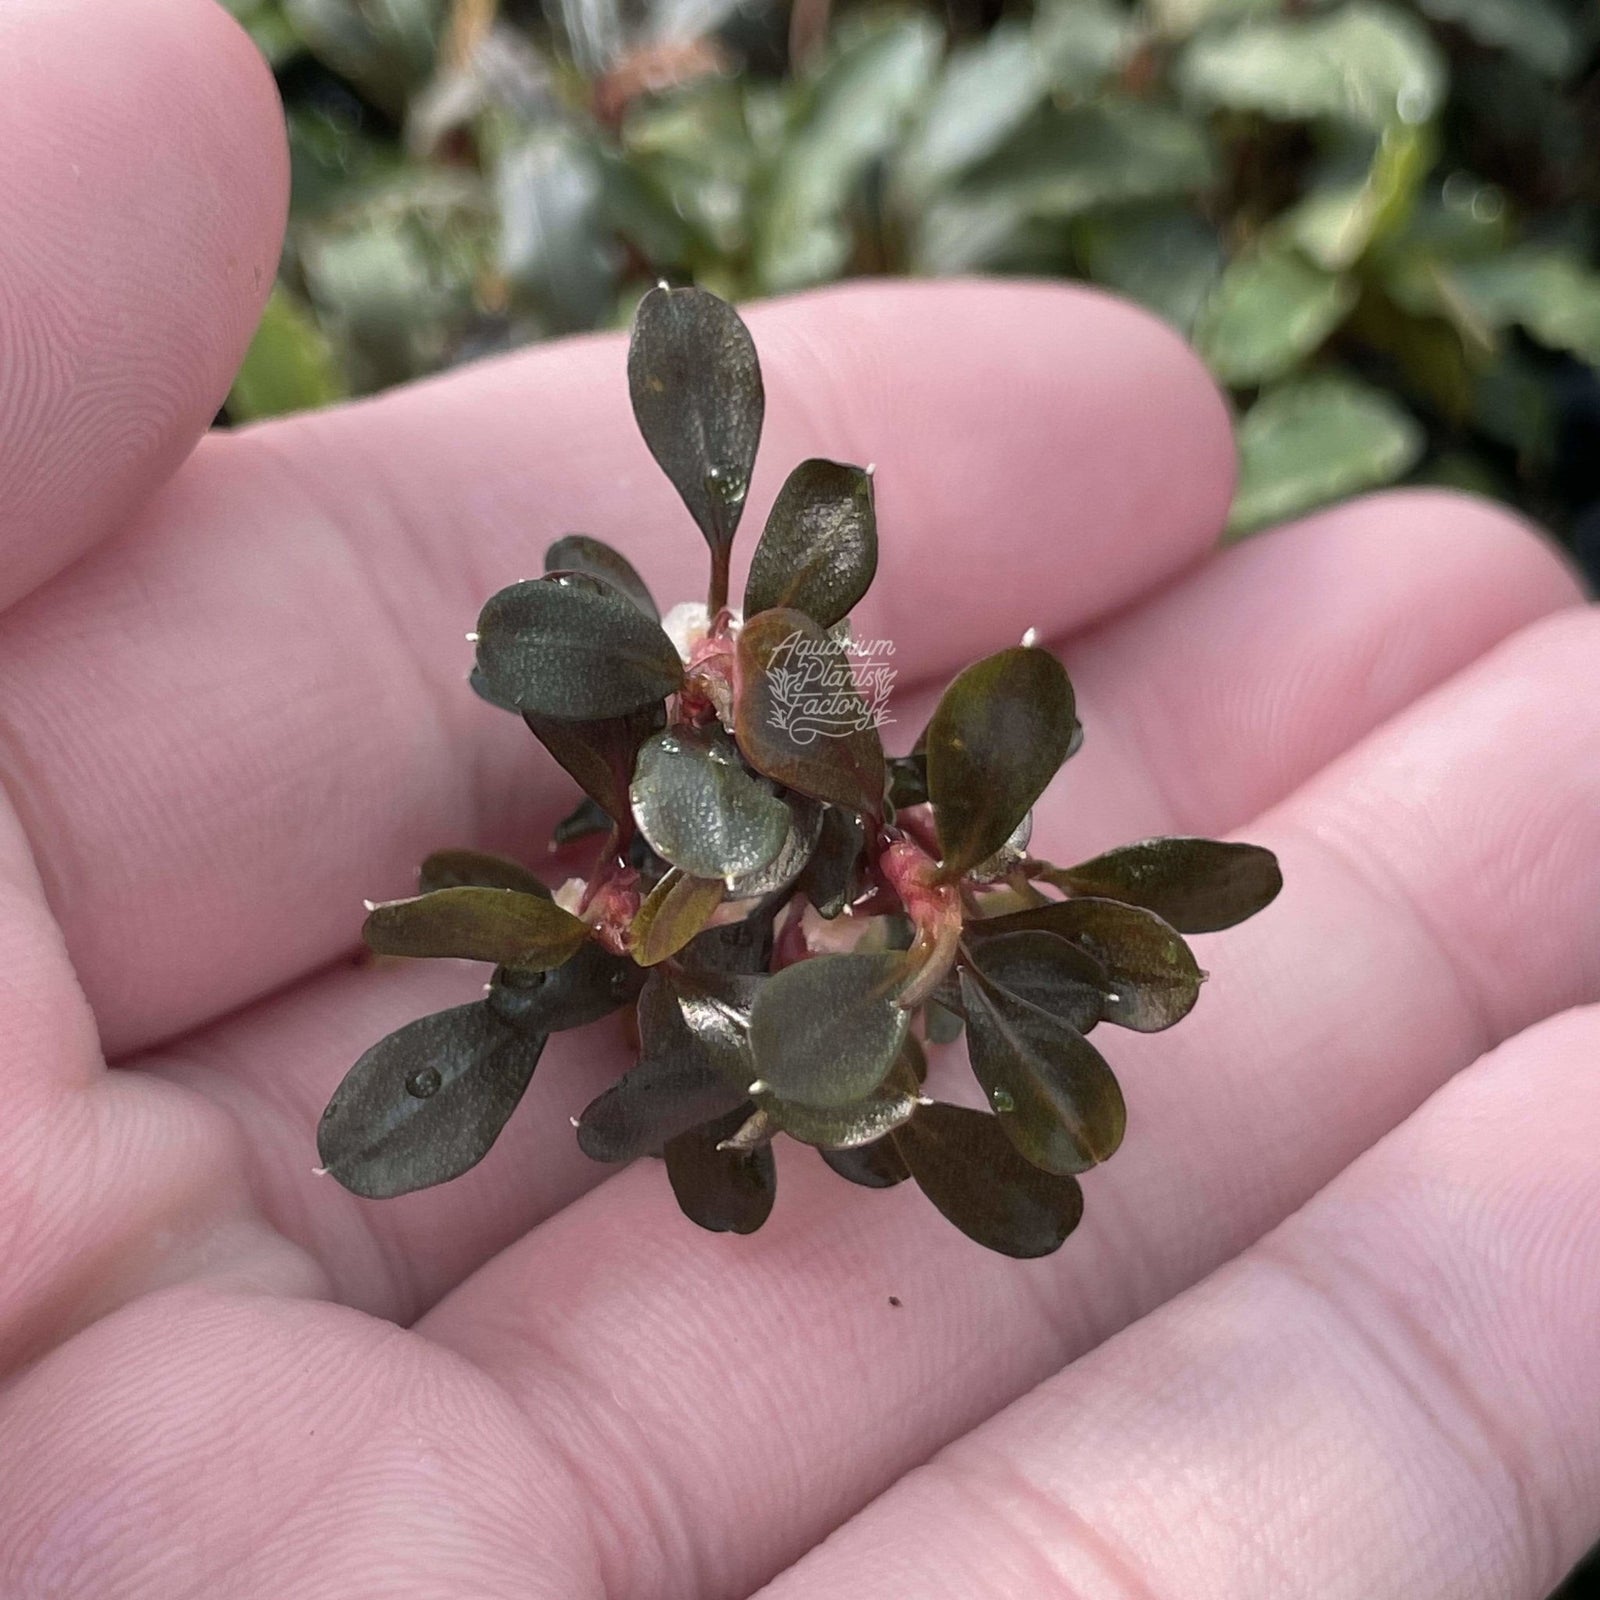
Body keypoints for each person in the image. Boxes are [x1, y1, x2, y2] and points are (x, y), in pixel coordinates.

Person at [2, 2, 1597, 1595]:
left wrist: (853, 820)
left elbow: (835, 719)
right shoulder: (721, 757)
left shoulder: (838, 769)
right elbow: (744, 709)